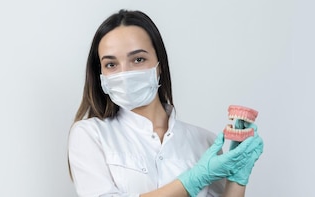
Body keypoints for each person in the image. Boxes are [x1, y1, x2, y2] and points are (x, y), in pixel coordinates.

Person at [67, 10, 264, 197]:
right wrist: (191, 181)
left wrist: (238, 178)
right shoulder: (90, 135)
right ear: (100, 74)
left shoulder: (205, 142)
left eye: (138, 59)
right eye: (111, 64)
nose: (125, 73)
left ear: (159, 65)